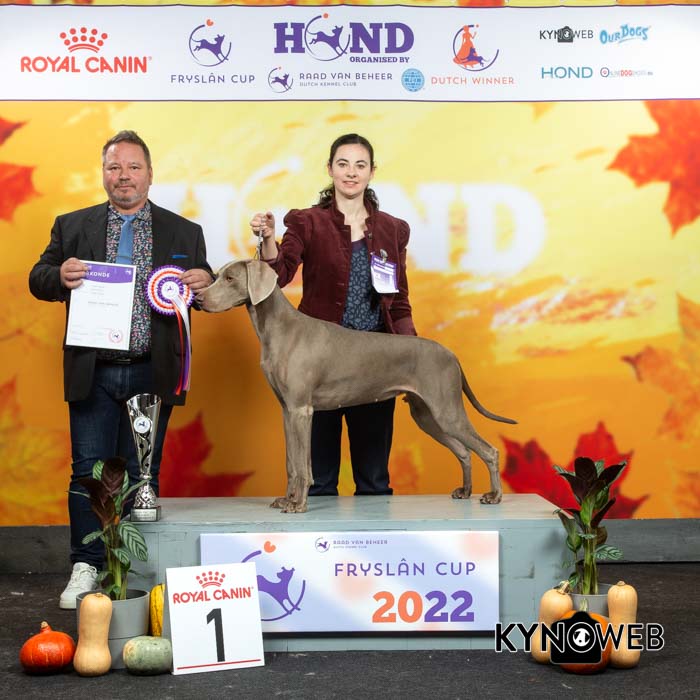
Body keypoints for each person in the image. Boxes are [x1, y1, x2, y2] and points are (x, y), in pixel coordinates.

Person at [29, 130, 214, 609]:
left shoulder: (184, 231)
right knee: (87, 473)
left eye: (133, 167)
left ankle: (132, 568)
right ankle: (85, 565)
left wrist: (204, 281)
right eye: (115, 167)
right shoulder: (72, 226)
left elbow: (206, 292)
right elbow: (38, 278)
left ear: (150, 174)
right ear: (104, 174)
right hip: (93, 370)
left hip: (153, 369)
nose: (124, 176)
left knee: (141, 474)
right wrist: (58, 276)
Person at [250, 133, 416, 498]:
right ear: (330, 169)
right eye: (343, 164)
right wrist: (268, 239)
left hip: (375, 360)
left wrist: (410, 355)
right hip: (317, 360)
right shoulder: (307, 222)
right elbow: (279, 275)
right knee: (320, 481)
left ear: (371, 171)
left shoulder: (393, 229)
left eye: (360, 165)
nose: (351, 173)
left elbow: (399, 300)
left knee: (374, 480)